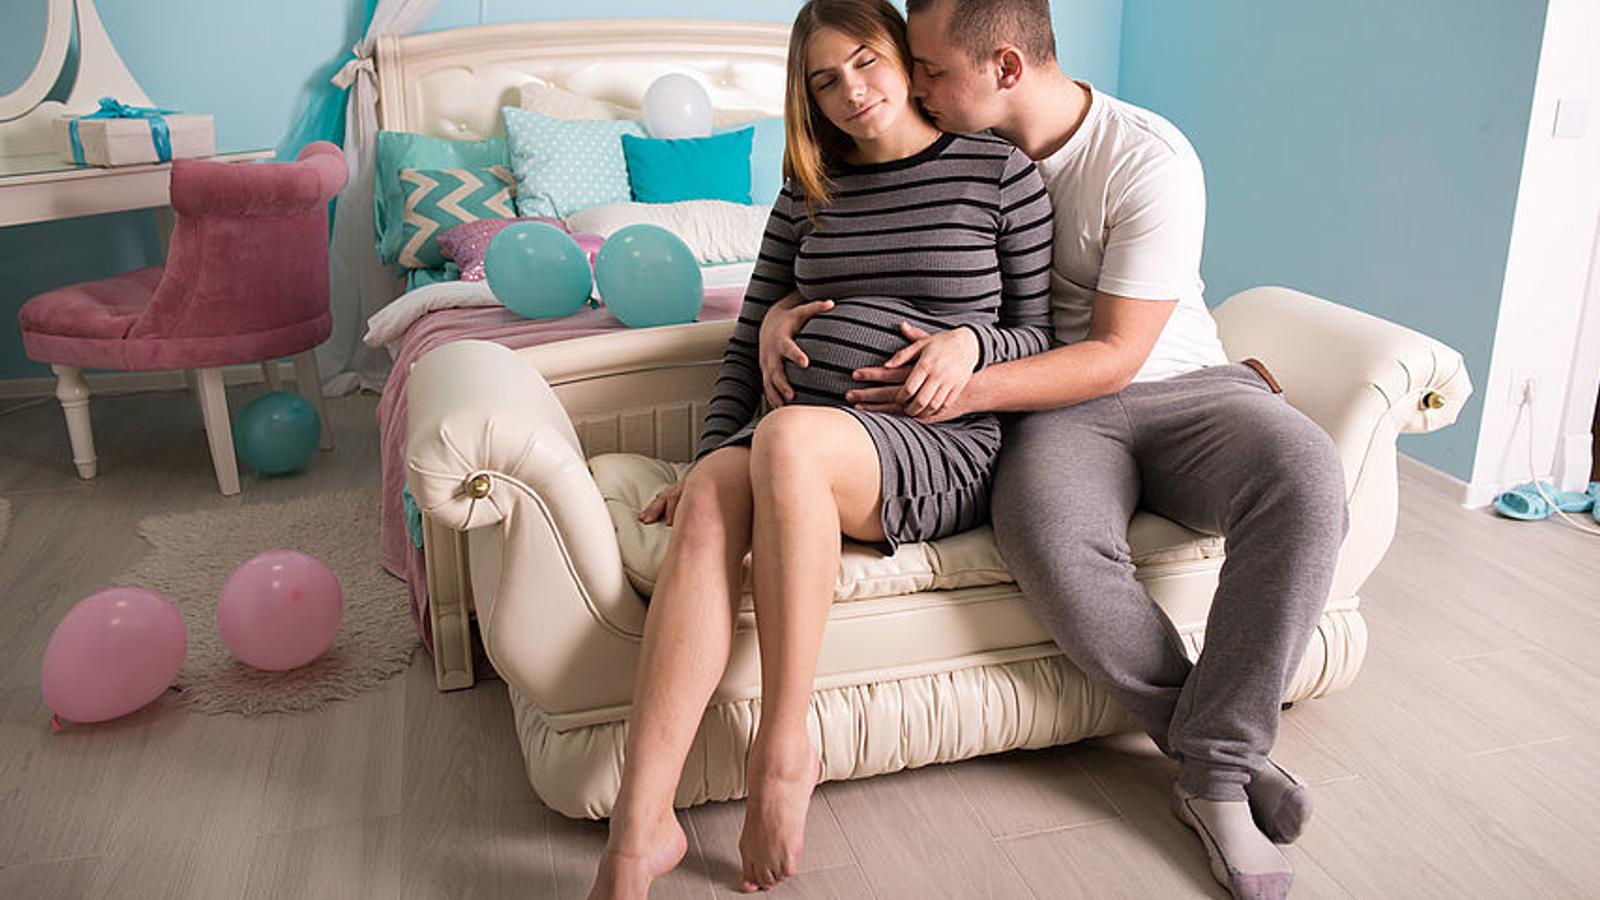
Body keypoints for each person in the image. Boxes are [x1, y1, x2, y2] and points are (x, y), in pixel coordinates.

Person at [759, 2, 1347, 898]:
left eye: (928, 69)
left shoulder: (1144, 157)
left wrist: (956, 373)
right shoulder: (937, 156)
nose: (909, 87)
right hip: (1053, 417)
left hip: (1176, 386)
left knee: (1306, 474)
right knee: (1041, 527)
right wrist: (769, 315)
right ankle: (1217, 755)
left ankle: (1215, 769)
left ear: (1003, 67)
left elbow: (1117, 355)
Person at [587, 2, 1054, 897]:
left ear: (908, 60)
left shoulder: (998, 174)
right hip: (802, 438)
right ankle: (638, 828)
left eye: (867, 63)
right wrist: (707, 454)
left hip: (938, 446)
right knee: (718, 494)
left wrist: (975, 347)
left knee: (790, 438)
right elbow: (746, 338)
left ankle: (782, 748)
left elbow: (1043, 334)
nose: (851, 93)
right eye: (824, 81)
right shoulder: (809, 188)